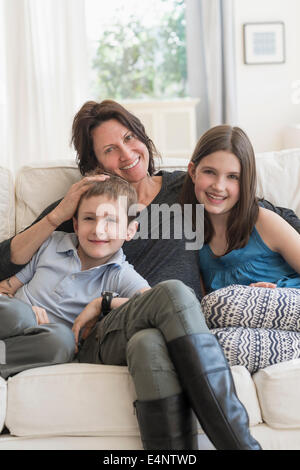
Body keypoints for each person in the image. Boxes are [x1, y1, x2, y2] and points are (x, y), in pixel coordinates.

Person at [0, 176, 261, 451]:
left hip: (45, 342)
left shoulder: (122, 274)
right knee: (21, 316)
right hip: (13, 320)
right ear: (75, 224)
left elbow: (153, 306)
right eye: (89, 218)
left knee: (67, 340)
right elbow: (7, 287)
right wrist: (26, 310)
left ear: (130, 231)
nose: (99, 229)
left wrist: (103, 303)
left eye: (111, 220)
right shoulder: (50, 245)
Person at [0, 100, 300, 298]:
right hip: (127, 317)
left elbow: (262, 212)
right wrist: (57, 216)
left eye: (129, 138)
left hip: (187, 317)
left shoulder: (188, 187)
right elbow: (5, 263)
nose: (127, 154)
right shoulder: (87, 206)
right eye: (110, 150)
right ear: (96, 163)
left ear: (142, 138)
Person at [180, 124, 300, 294]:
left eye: (232, 177)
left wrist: (277, 292)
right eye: (210, 172)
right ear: (193, 172)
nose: (219, 186)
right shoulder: (190, 236)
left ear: (245, 181)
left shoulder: (264, 221)